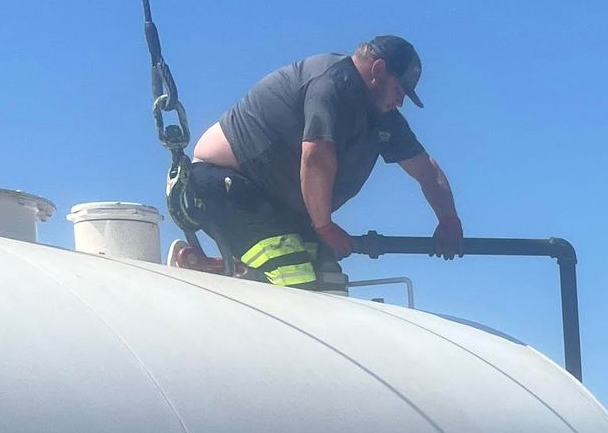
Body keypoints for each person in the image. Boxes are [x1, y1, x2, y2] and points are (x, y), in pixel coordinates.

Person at [179, 37, 463, 290]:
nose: (400, 102)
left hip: (282, 209)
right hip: (223, 185)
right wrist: (325, 226)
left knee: (329, 282)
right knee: (297, 282)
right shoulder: (331, 85)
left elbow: (425, 169)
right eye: (399, 89)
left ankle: (235, 272)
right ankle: (242, 279)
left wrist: (448, 219)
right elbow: (316, 155)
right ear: (377, 70)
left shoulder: (383, 118)